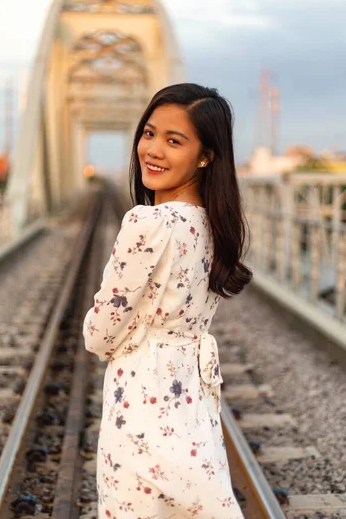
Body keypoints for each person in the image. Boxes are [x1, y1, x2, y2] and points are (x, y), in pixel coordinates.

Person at [83, 83, 253, 518]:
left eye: (173, 140)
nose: (152, 150)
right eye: (149, 134)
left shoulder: (149, 223)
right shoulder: (214, 226)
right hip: (193, 414)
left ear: (205, 155)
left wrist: (125, 334)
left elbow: (99, 336)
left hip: (140, 416)